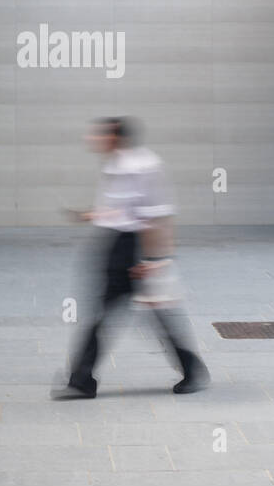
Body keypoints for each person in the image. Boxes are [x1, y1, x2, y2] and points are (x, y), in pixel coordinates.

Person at [55, 117, 209, 399]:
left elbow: (158, 215)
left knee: (138, 312)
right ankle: (82, 379)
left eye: (101, 135)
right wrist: (90, 214)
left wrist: (153, 260)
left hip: (135, 245)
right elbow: (118, 208)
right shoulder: (115, 164)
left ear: (115, 137)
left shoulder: (143, 165)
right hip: (117, 245)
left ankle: (82, 380)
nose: (94, 140)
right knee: (129, 312)